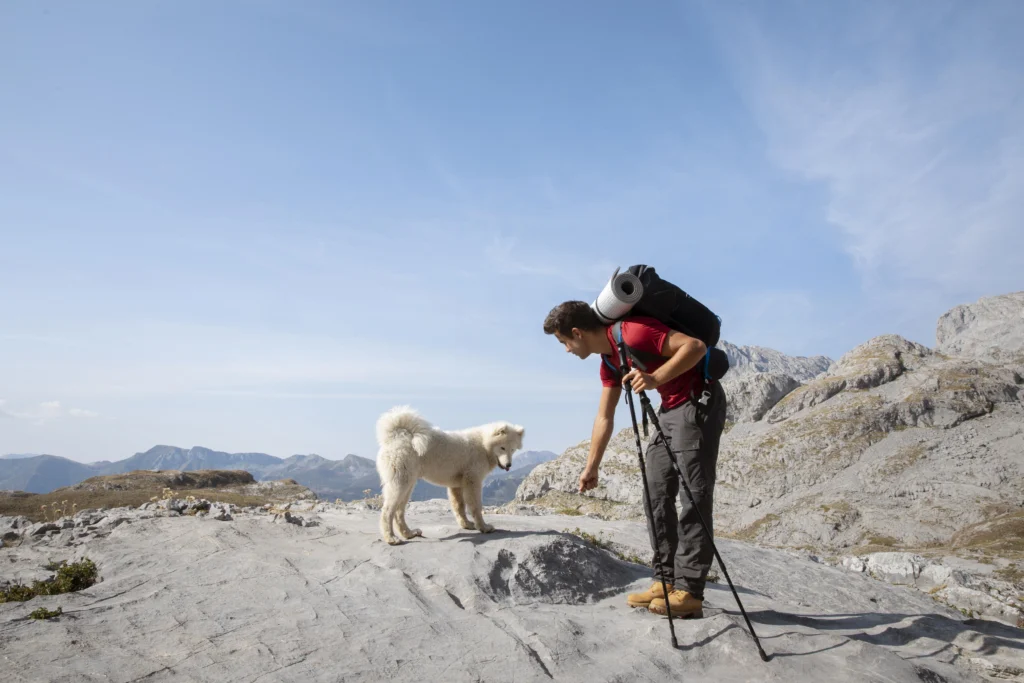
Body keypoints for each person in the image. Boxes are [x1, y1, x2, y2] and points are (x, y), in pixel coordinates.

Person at [543, 300, 727, 618]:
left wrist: (655, 378)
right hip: (669, 409)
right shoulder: (609, 361)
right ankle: (665, 581)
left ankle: (689, 592)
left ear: (577, 332)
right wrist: (591, 467)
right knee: (655, 492)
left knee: (693, 496)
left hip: (697, 402)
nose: (566, 350)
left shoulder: (634, 332)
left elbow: (695, 347)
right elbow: (604, 417)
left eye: (564, 342)